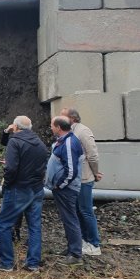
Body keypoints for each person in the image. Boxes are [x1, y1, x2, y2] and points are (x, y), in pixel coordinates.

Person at [0, 116, 48, 272]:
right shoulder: (40, 144)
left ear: (15, 127)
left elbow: (11, 169)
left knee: (4, 224)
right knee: (35, 226)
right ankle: (33, 263)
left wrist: (7, 185)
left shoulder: (15, 142)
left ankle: (6, 262)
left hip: (18, 189)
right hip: (36, 189)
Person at [60, 108, 104, 256]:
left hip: (85, 178)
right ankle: (84, 241)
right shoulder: (71, 131)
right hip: (76, 179)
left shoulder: (83, 131)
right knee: (78, 211)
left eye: (63, 115)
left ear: (72, 118)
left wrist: (95, 172)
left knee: (86, 211)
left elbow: (92, 155)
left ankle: (94, 243)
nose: (59, 117)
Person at [46, 116, 84, 266]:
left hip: (67, 189)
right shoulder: (65, 140)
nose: (51, 128)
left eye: (52, 126)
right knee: (68, 218)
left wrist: (59, 185)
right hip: (64, 188)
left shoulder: (69, 142)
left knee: (70, 219)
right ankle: (71, 249)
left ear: (58, 127)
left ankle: (75, 254)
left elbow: (71, 170)